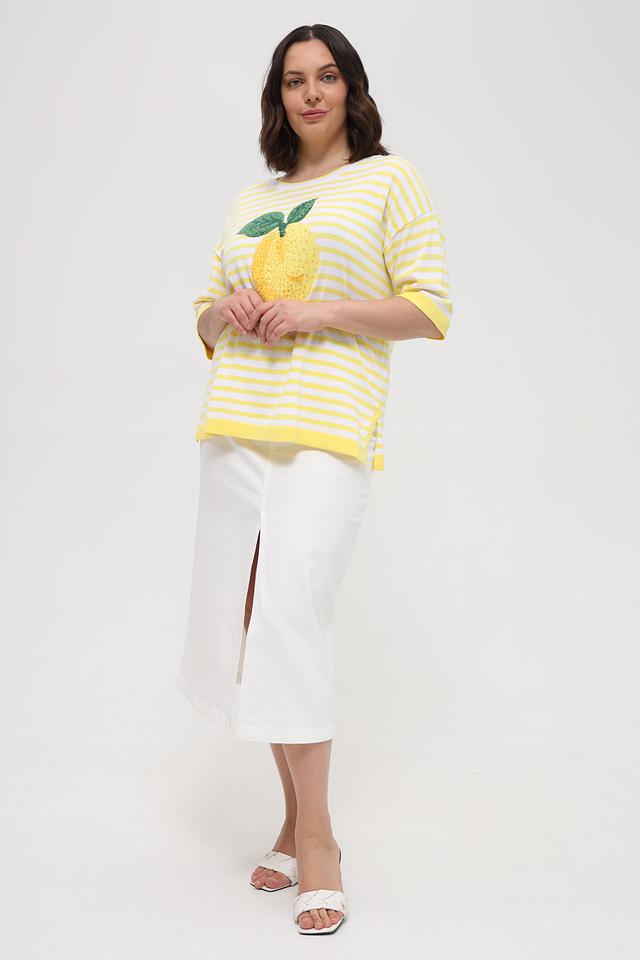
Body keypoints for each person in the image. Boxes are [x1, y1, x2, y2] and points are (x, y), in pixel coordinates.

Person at [175, 23, 453, 936]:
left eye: (327, 76)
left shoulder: (388, 180)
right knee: (255, 628)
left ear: (351, 88)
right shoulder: (251, 199)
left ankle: (321, 842)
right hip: (236, 427)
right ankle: (293, 823)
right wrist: (228, 310)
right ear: (279, 97)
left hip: (326, 429)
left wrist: (317, 310)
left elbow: (429, 307)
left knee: (291, 621)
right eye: (294, 80)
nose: (311, 93)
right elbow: (203, 317)